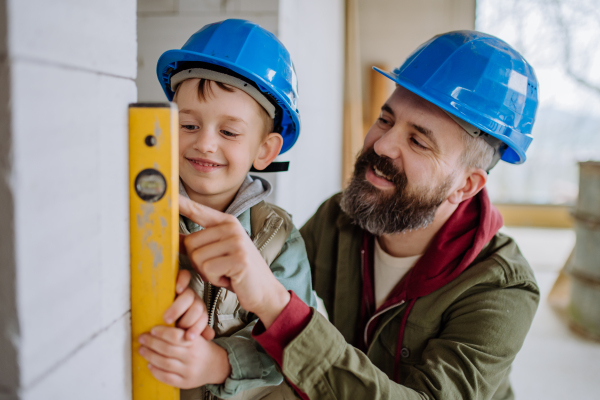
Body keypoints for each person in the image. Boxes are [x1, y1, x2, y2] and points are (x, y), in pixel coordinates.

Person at [175, 31, 542, 400]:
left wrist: (277, 307)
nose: (381, 144)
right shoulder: (342, 217)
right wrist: (190, 298)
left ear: (465, 185)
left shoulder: (502, 289)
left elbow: (275, 302)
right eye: (386, 120)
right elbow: (254, 300)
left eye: (418, 141)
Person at [137, 19, 315, 400]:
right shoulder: (140, 209)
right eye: (187, 125)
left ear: (265, 150)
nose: (205, 143)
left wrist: (219, 362)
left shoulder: (279, 239)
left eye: (229, 132)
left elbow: (298, 342)